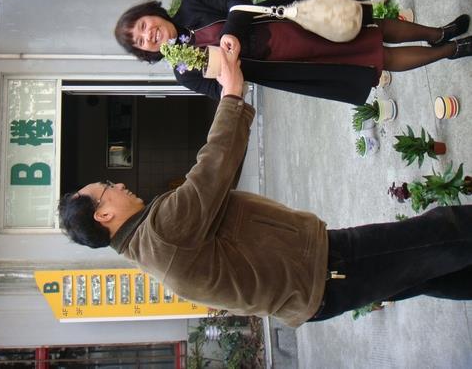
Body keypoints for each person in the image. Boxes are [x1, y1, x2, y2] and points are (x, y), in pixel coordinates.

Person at [59, 47, 472, 326]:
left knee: (428, 274)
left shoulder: (151, 247)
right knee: (443, 233)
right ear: (104, 213)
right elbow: (212, 170)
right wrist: (231, 94)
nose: (118, 184)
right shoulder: (160, 234)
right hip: (322, 273)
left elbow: (218, 186)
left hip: (316, 281)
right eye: (108, 186)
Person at [113, 0, 471, 102]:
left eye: (143, 25)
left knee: (365, 24)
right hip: (293, 63)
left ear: (151, 13)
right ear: (146, 52)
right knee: (376, 58)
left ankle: (438, 32)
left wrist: (230, 34)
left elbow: (236, 1)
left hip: (293, 20)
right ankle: (450, 51)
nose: (149, 35)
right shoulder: (184, 72)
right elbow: (226, 93)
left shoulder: (191, 4)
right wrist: (227, 69)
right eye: (141, 42)